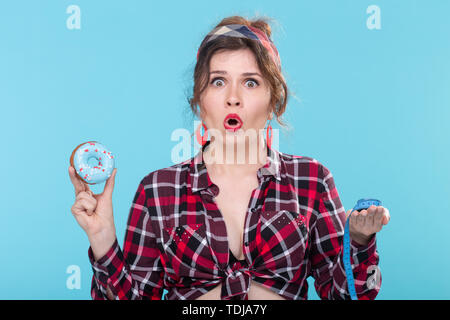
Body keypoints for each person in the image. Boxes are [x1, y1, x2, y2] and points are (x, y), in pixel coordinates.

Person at [68, 15, 390, 300]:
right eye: (218, 81)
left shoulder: (313, 181)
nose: (233, 98)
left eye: (250, 82)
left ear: (274, 101)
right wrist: (102, 238)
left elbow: (343, 296)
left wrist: (359, 241)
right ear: (198, 100)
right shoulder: (157, 190)